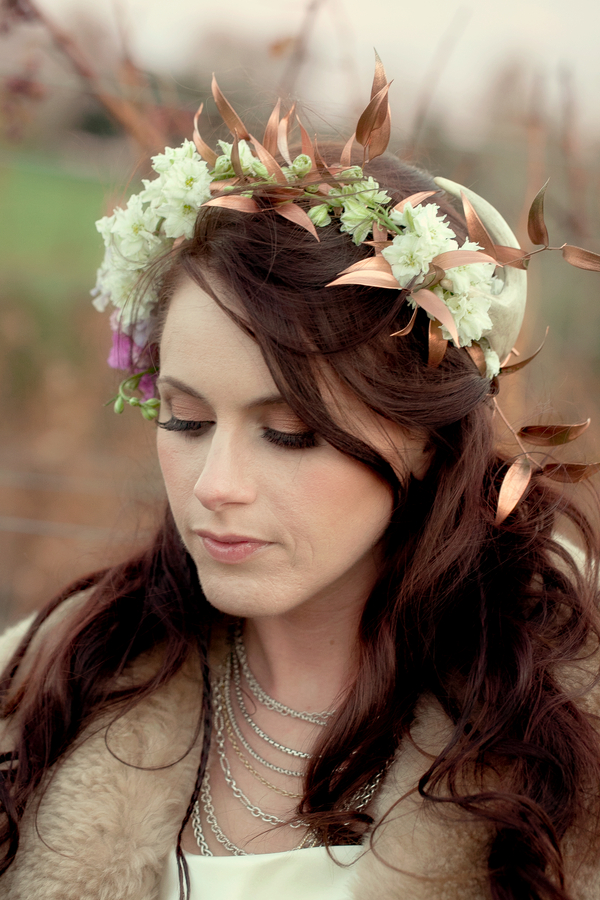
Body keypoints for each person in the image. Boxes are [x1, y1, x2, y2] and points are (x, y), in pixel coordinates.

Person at [1, 59, 600, 900]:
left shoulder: (566, 737)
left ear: (428, 440)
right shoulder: (48, 690)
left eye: (289, 433)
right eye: (186, 420)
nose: (216, 484)